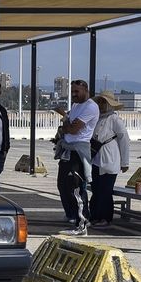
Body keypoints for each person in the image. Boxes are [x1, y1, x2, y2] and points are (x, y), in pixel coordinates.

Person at [53, 80, 99, 235]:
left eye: (76, 92)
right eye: (72, 91)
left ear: (86, 90)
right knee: (63, 185)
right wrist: (66, 126)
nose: (73, 95)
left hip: (78, 150)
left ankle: (82, 223)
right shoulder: (75, 105)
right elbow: (69, 126)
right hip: (68, 149)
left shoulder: (90, 107)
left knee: (76, 186)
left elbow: (73, 129)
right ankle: (72, 216)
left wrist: (65, 126)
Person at [88, 94, 130, 227]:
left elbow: (124, 140)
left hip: (110, 158)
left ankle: (105, 218)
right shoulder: (97, 119)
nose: (101, 105)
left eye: (103, 102)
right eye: (99, 102)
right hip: (96, 159)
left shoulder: (115, 119)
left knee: (106, 191)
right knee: (96, 190)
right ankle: (95, 216)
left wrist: (125, 162)